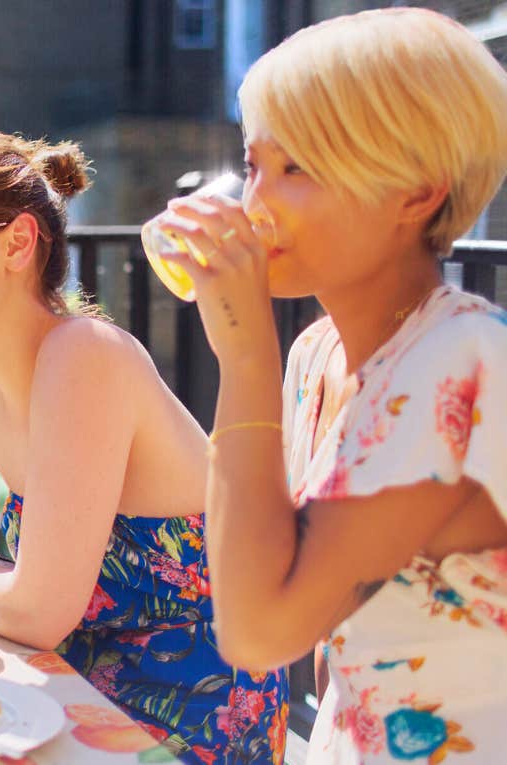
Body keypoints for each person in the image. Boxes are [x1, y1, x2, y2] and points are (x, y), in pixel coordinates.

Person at [144, 8, 507, 764]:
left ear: (416, 193)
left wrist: (244, 361)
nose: (256, 204)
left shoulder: (461, 359)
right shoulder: (317, 354)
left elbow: (257, 631)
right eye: (255, 167)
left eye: (297, 169)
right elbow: (257, 577)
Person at [0, 129, 287, 763]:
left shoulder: (86, 356)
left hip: (187, 715)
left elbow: (35, 610)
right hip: (66, 685)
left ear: (16, 241)